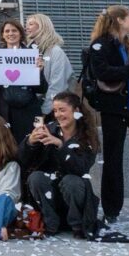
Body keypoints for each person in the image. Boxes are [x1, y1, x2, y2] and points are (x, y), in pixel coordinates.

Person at [83, 5, 129, 226]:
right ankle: (111, 209)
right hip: (114, 108)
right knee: (113, 160)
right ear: (118, 20)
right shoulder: (100, 45)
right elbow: (102, 72)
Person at [21, 91, 99, 237]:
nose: (58, 115)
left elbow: (81, 168)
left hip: (74, 190)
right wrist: (30, 142)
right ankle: (51, 223)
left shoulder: (87, 135)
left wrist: (60, 146)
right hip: (51, 191)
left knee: (71, 181)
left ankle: (76, 226)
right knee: (36, 177)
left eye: (62, 110)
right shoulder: (50, 129)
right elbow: (23, 160)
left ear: (76, 111)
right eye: (55, 110)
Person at [0, 19, 46, 145]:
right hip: (3, 111)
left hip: (27, 111)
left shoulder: (32, 55)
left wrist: (39, 72)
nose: (10, 33)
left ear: (20, 34)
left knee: (27, 147)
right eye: (7, 31)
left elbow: (42, 89)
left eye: (14, 30)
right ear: (2, 35)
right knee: (4, 147)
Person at [26, 13, 75, 104]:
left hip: (52, 107)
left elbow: (57, 85)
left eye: (31, 24)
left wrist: (46, 110)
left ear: (42, 26)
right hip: (31, 106)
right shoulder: (27, 51)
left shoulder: (56, 52)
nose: (27, 28)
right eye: (27, 24)